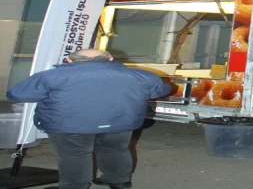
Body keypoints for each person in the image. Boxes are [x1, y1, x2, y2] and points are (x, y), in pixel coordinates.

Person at [7, 49, 172, 189]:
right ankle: (119, 181)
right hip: (120, 122)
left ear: (69, 60)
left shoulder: (49, 76)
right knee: (116, 150)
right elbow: (161, 91)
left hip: (69, 125)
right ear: (110, 59)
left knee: (74, 154)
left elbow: (17, 94)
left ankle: (75, 186)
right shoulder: (141, 75)